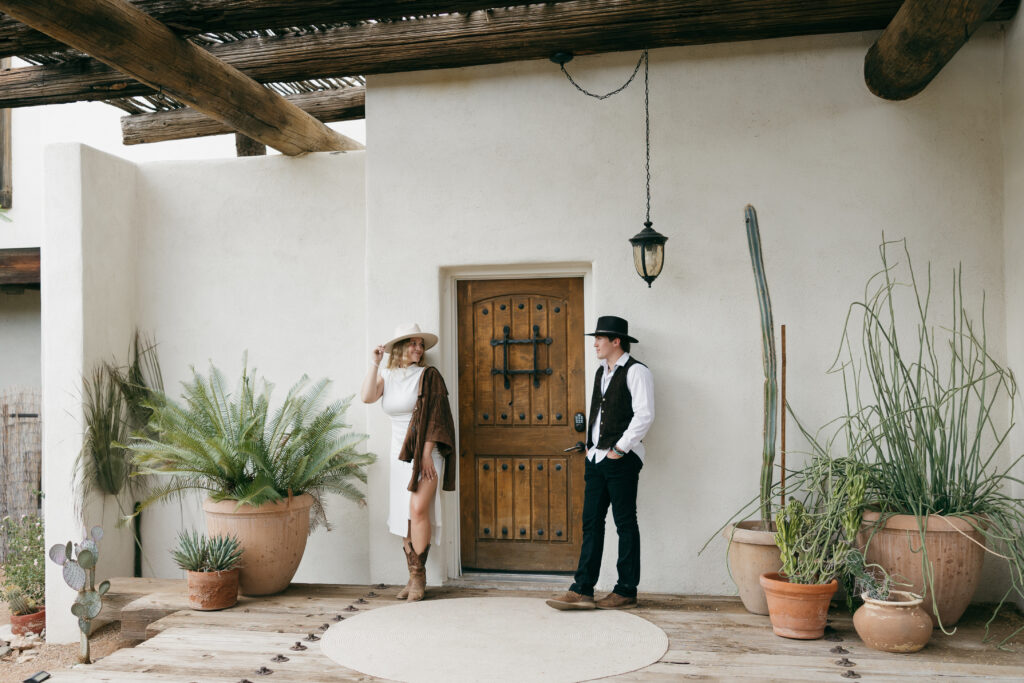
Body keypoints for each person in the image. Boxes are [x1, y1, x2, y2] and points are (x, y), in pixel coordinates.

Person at [547, 315, 655, 611]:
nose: (594, 343)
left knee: (625, 523)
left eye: (599, 338)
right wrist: (593, 448)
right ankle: (582, 589)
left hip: (621, 458)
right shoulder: (601, 372)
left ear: (616, 341)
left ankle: (626, 590)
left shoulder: (637, 372)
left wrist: (619, 449)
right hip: (596, 458)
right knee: (591, 523)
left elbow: (644, 415)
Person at [361, 322, 456, 602]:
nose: (418, 348)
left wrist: (426, 453)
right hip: (399, 453)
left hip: (426, 453)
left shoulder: (429, 375)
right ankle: (412, 574)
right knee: (405, 514)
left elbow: (437, 417)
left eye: (421, 344)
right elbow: (367, 397)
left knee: (417, 509)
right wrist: (374, 363)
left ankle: (418, 577)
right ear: (400, 348)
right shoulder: (388, 376)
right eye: (413, 343)